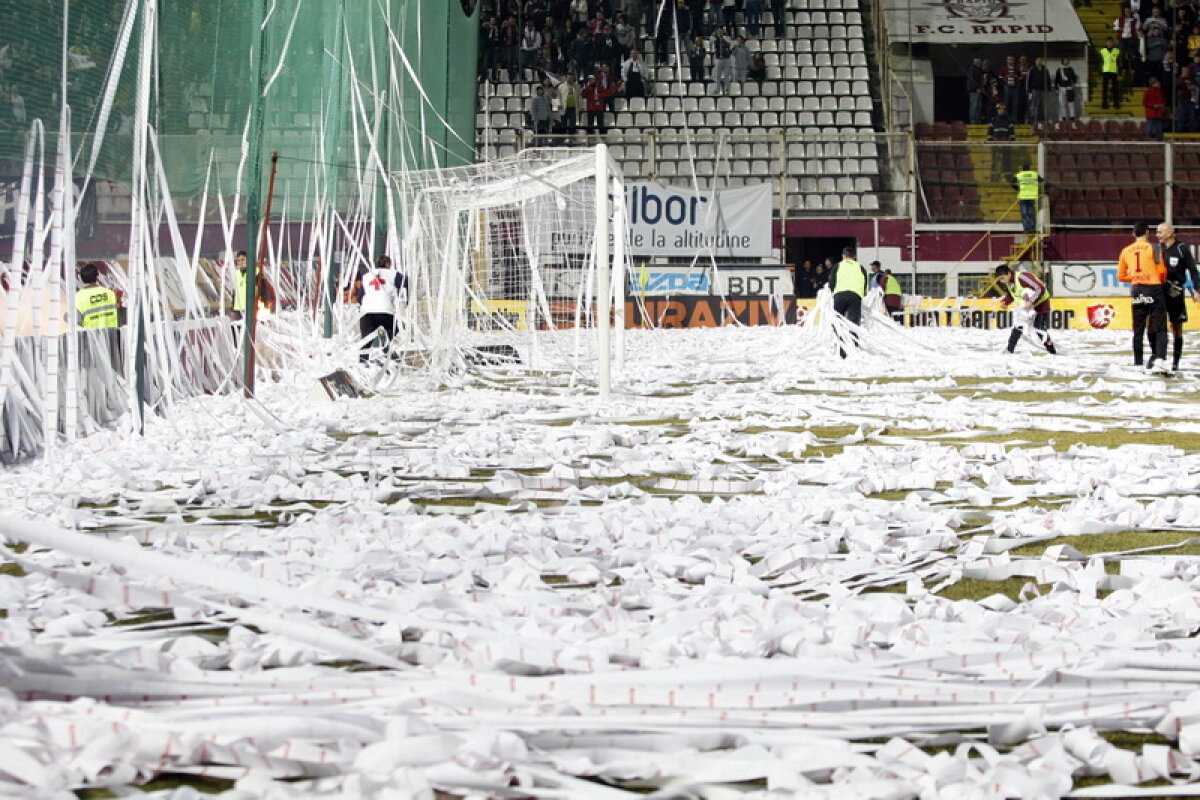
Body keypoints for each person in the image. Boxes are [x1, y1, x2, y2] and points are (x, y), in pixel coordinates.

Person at [1118, 222, 1168, 370]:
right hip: (1153, 288)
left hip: (1137, 289)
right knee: (1160, 327)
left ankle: (1138, 362)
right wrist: (1156, 279)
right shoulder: (1155, 248)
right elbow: (1162, 271)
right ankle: (1160, 360)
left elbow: (1120, 276)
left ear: (1133, 234)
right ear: (1147, 233)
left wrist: (1135, 277)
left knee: (1138, 329)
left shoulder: (1126, 250)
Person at [1154, 222, 1200, 371]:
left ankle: (1175, 363)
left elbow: (1193, 270)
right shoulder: (1157, 250)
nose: (1157, 235)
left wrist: (1197, 290)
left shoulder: (1182, 249)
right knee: (1157, 326)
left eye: (1160, 232)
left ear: (1169, 233)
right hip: (1160, 292)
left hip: (1176, 292)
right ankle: (1157, 358)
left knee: (1177, 328)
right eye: (1157, 232)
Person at [995, 265, 1057, 354]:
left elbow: (1040, 288)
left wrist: (1031, 301)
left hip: (1041, 304)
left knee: (1038, 329)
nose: (1002, 281)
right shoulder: (1008, 283)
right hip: (1027, 306)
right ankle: (1009, 351)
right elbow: (1011, 294)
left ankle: (1052, 352)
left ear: (1009, 274)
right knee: (1019, 326)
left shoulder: (1022, 277)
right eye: (1000, 279)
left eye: (1002, 278)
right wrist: (1005, 302)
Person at [357, 255, 407, 362]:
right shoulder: (392, 274)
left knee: (366, 339)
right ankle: (386, 347)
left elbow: (360, 296)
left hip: (367, 311)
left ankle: (362, 362)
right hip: (385, 310)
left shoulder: (367, 276)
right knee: (395, 327)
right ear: (388, 264)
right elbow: (405, 282)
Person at [829, 246, 868, 358]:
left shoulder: (838, 266)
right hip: (855, 295)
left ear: (843, 256)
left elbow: (832, 282)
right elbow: (865, 282)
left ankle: (840, 347)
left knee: (838, 320)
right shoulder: (860, 267)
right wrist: (862, 294)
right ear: (854, 256)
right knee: (853, 322)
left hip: (840, 294)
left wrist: (833, 291)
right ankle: (854, 346)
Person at [75, 262, 119, 329]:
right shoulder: (110, 294)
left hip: (90, 337)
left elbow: (76, 323)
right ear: (97, 277)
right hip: (112, 336)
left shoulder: (78, 297)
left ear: (81, 278)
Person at [988, 102, 1015, 181]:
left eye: (1003, 109)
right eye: (1000, 109)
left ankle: (1008, 177)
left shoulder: (1009, 120)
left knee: (1006, 160)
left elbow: (1012, 134)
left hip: (1005, 143)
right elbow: (989, 133)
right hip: (995, 143)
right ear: (997, 110)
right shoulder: (993, 120)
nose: (1001, 111)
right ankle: (994, 177)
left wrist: (1011, 143)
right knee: (995, 161)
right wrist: (990, 142)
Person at [1012, 164, 1042, 234]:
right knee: (1031, 213)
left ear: (1022, 168)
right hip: (1032, 196)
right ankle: (1032, 228)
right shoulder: (1034, 174)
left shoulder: (1020, 175)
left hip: (1023, 197)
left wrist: (1017, 188)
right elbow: (1041, 181)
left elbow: (1011, 182)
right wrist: (1038, 190)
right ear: (1029, 168)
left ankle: (1026, 229)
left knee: (1024, 213)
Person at [1025, 56, 1050, 124]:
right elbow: (1028, 80)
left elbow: (1048, 80)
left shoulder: (1045, 70)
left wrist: (1049, 90)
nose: (1039, 62)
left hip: (1043, 90)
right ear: (1035, 62)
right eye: (1038, 60)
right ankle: (1032, 121)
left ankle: (1042, 121)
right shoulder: (1032, 69)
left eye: (1040, 60)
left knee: (1042, 106)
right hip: (1034, 90)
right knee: (1033, 105)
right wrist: (1029, 91)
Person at [710, 26, 734, 95]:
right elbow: (711, 41)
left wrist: (723, 36)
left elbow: (729, 41)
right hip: (718, 58)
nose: (719, 32)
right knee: (717, 75)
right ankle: (717, 89)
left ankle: (727, 89)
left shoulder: (726, 37)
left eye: (721, 30)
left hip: (726, 58)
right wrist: (714, 34)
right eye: (718, 30)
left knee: (726, 75)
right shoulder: (715, 38)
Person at [1054, 57, 1079, 122]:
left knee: (1071, 103)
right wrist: (1056, 89)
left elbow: (1074, 77)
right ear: (1062, 61)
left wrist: (1074, 83)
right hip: (1061, 88)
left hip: (1069, 88)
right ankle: (1064, 117)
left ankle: (1072, 117)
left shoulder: (1071, 69)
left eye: (1067, 60)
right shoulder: (1059, 70)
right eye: (1064, 60)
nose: (1066, 61)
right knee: (1062, 104)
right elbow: (1056, 80)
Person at [1100, 37, 1121, 109]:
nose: (1109, 43)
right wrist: (1100, 71)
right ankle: (1104, 103)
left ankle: (1116, 103)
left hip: (1114, 71)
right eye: (1108, 42)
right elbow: (1100, 62)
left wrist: (1119, 71)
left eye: (1111, 42)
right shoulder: (1103, 51)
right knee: (1105, 89)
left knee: (1115, 89)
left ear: (1113, 42)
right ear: (1106, 42)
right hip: (1105, 71)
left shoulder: (1117, 51)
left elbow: (1118, 62)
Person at [231, 250, 248, 320]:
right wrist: (233, 310)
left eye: (243, 260)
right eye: (238, 260)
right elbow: (234, 293)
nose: (240, 263)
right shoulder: (236, 275)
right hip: (238, 310)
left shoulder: (255, 272)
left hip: (251, 309)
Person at [967, 58, 984, 124]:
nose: (980, 64)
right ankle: (973, 120)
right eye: (979, 63)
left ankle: (977, 120)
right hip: (974, 91)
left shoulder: (978, 70)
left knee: (978, 106)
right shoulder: (972, 70)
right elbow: (972, 81)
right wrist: (976, 88)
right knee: (974, 105)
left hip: (978, 90)